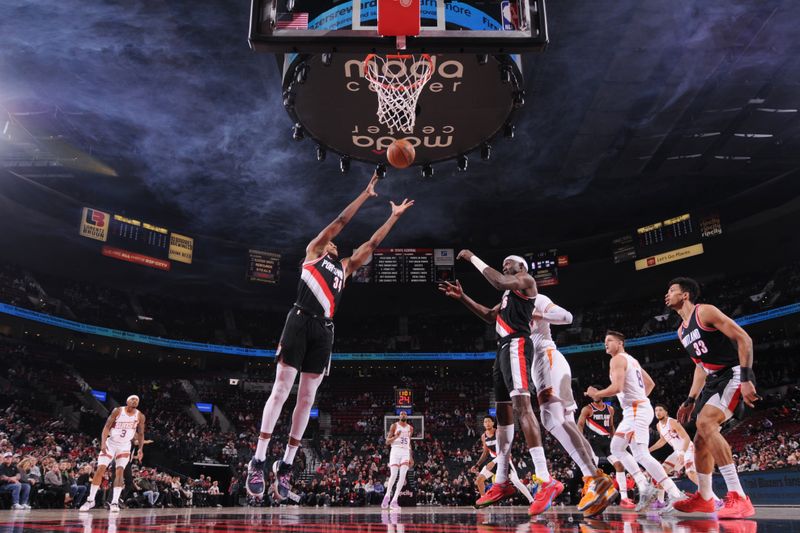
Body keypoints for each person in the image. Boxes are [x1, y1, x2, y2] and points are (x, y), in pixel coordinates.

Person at [246, 173, 414, 500]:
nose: (334, 243)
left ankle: (286, 466)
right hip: (298, 320)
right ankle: (259, 459)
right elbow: (339, 222)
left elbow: (372, 245)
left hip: (324, 330)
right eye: (332, 242)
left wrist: (391, 217)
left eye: (335, 244)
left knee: (307, 399)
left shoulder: (346, 269)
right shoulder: (314, 252)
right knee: (281, 389)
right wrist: (366, 194)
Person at [439, 252, 557, 515]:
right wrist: (463, 298)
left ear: (521, 267)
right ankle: (502, 481)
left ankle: (545, 479)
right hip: (503, 349)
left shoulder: (525, 280)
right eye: (503, 264)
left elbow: (499, 281)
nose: (505, 266)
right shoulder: (507, 297)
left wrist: (472, 258)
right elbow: (489, 316)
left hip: (517, 344)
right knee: (503, 417)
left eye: (509, 263)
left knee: (522, 407)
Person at [665, 277, 757, 518]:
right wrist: (690, 398)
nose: (667, 295)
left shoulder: (704, 311)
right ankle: (705, 497)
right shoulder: (681, 331)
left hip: (734, 373)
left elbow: (744, 338)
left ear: (685, 295)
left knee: (706, 424)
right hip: (713, 379)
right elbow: (700, 366)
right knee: (699, 439)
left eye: (671, 291)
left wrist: (746, 378)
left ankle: (739, 496)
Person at [529, 292, 615, 516]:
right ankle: (597, 482)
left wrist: (537, 313)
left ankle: (594, 478)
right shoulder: (510, 308)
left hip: (547, 358)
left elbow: (566, 317)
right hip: (541, 363)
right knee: (558, 421)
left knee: (555, 419)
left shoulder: (533, 299)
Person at [585, 331, 685, 512]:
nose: (605, 344)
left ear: (620, 343)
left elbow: (617, 387)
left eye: (609, 341)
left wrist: (596, 394)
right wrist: (638, 399)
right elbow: (650, 384)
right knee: (616, 447)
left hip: (637, 410)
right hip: (635, 409)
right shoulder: (633, 361)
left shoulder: (617, 359)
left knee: (640, 455)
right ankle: (644, 485)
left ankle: (675, 494)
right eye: (604, 341)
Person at [80, 395, 146, 512]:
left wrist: (140, 449)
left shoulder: (140, 416)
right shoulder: (118, 411)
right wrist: (103, 443)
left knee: (120, 472)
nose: (135, 401)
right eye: (132, 399)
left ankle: (114, 502)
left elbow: (141, 434)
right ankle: (91, 500)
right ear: (127, 401)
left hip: (125, 446)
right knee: (101, 469)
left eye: (137, 400)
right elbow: (106, 427)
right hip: (111, 444)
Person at [577, 399, 637, 508]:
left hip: (608, 441)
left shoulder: (610, 409)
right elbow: (580, 424)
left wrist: (616, 440)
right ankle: (590, 494)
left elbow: (611, 426)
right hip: (594, 442)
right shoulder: (588, 409)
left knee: (619, 465)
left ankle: (624, 498)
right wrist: (580, 439)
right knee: (593, 469)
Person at [470, 416, 534, 506]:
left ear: (493, 423)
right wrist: (477, 465)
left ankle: (532, 501)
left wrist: (494, 462)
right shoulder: (483, 436)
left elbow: (506, 451)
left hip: (504, 459)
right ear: (483, 424)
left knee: (516, 481)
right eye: (485, 422)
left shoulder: (499, 433)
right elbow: (485, 453)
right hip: (493, 460)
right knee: (479, 480)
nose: (487, 423)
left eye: (489, 421)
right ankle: (483, 501)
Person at [381, 411, 414, 511]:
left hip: (405, 452)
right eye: (401, 414)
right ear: (399, 416)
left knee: (403, 475)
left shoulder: (410, 428)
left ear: (407, 416)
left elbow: (409, 443)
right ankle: (387, 496)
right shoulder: (394, 426)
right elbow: (387, 441)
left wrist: (411, 456)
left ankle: (394, 500)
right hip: (395, 450)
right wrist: (396, 436)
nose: (403, 415)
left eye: (405, 414)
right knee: (394, 475)